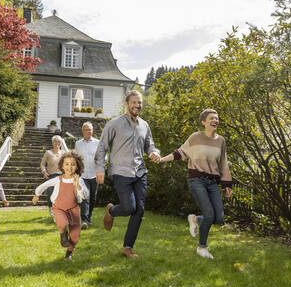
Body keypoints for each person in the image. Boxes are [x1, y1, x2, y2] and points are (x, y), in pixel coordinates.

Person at [95, 90, 160, 258]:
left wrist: (154, 152)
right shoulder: (114, 124)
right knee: (129, 207)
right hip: (121, 171)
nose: (137, 105)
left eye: (140, 103)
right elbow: (102, 146)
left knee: (140, 210)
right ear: (127, 104)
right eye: (134, 102)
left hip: (140, 172)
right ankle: (111, 211)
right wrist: (100, 168)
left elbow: (150, 145)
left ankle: (127, 247)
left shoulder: (144, 125)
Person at [159, 108, 232, 259]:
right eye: (211, 118)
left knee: (219, 218)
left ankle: (196, 219)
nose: (215, 121)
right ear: (203, 122)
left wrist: (226, 184)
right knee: (209, 214)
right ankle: (202, 248)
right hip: (196, 180)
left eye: (216, 118)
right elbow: (180, 153)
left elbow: (223, 163)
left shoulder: (220, 141)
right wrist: (161, 159)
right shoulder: (195, 138)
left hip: (212, 182)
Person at [32, 151, 89, 260]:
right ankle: (63, 235)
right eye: (67, 164)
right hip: (59, 209)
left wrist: (78, 186)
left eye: (73, 164)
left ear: (77, 166)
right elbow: (45, 185)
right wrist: (37, 194)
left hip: (74, 210)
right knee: (62, 223)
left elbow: (85, 195)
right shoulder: (58, 179)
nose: (70, 167)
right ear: (62, 166)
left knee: (75, 237)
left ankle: (69, 252)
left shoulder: (79, 180)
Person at [74, 121, 100, 229]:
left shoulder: (98, 143)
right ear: (82, 131)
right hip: (83, 175)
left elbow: (104, 157)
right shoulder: (78, 143)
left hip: (95, 174)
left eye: (89, 129)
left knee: (93, 198)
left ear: (92, 131)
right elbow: (75, 158)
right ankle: (84, 220)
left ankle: (88, 218)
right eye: (86, 129)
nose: (88, 131)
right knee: (85, 197)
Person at [40, 135, 69, 216]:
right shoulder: (48, 153)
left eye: (59, 141)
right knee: (50, 193)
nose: (57, 143)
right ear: (52, 142)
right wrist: (44, 171)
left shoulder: (64, 153)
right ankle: (51, 207)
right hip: (51, 176)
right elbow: (42, 164)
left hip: (61, 176)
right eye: (55, 141)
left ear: (61, 143)